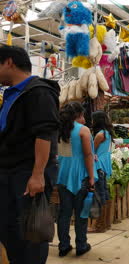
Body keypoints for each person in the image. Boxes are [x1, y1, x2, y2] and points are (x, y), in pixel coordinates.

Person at [0, 45, 59, 264]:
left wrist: (37, 174)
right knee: (8, 229)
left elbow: (45, 134)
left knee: (30, 230)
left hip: (26, 173)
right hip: (9, 171)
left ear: (8, 62)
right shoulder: (12, 94)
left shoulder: (39, 92)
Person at [56, 102, 97, 257]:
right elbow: (87, 155)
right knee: (81, 213)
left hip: (62, 175)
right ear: (78, 115)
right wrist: (92, 177)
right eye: (82, 116)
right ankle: (81, 245)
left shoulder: (58, 129)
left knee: (64, 213)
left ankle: (63, 246)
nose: (84, 119)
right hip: (81, 176)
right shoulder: (83, 130)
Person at [91, 111, 114, 232]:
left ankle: (99, 225)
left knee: (99, 193)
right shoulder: (108, 133)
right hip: (105, 165)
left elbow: (91, 150)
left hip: (98, 165)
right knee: (104, 192)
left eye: (93, 119)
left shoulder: (100, 135)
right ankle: (106, 223)